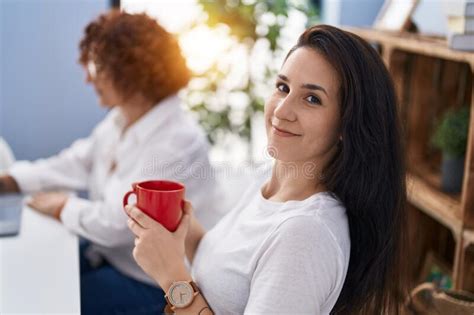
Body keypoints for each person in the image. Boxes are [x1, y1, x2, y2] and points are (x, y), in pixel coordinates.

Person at [125, 24, 408, 314]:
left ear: (346, 126)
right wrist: (180, 226)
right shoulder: (267, 183)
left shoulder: (306, 235)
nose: (282, 111)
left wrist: (172, 278)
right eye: (283, 87)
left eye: (312, 99)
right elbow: (225, 275)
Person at [0, 10, 222, 314]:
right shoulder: (122, 119)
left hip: (150, 282)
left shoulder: (176, 141)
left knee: (42, 302)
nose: (88, 78)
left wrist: (62, 206)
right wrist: (11, 180)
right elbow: (76, 162)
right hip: (112, 257)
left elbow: (118, 222)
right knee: (26, 275)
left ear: (132, 73)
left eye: (98, 66)